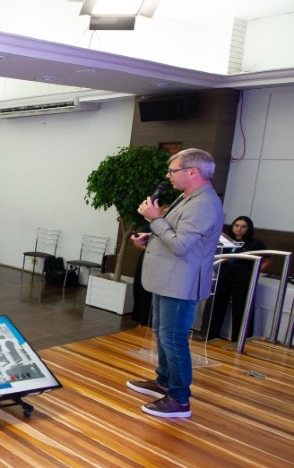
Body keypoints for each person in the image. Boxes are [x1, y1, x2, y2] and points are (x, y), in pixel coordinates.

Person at [127, 148, 224, 419]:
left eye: (173, 170)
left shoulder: (203, 203)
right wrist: (150, 236)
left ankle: (180, 398)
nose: (168, 176)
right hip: (168, 279)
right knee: (162, 332)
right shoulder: (188, 197)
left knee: (174, 338)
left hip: (180, 282)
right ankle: (164, 382)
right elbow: (177, 236)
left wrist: (155, 220)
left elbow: (181, 245)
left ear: (193, 171)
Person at [206, 216, 267, 341]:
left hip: (242, 273)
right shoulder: (225, 241)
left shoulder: (255, 243)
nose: (239, 229)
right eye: (237, 225)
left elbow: (268, 259)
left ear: (248, 229)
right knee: (217, 304)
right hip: (224, 273)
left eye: (243, 227)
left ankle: (240, 338)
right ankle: (211, 334)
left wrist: (255, 271)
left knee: (241, 306)